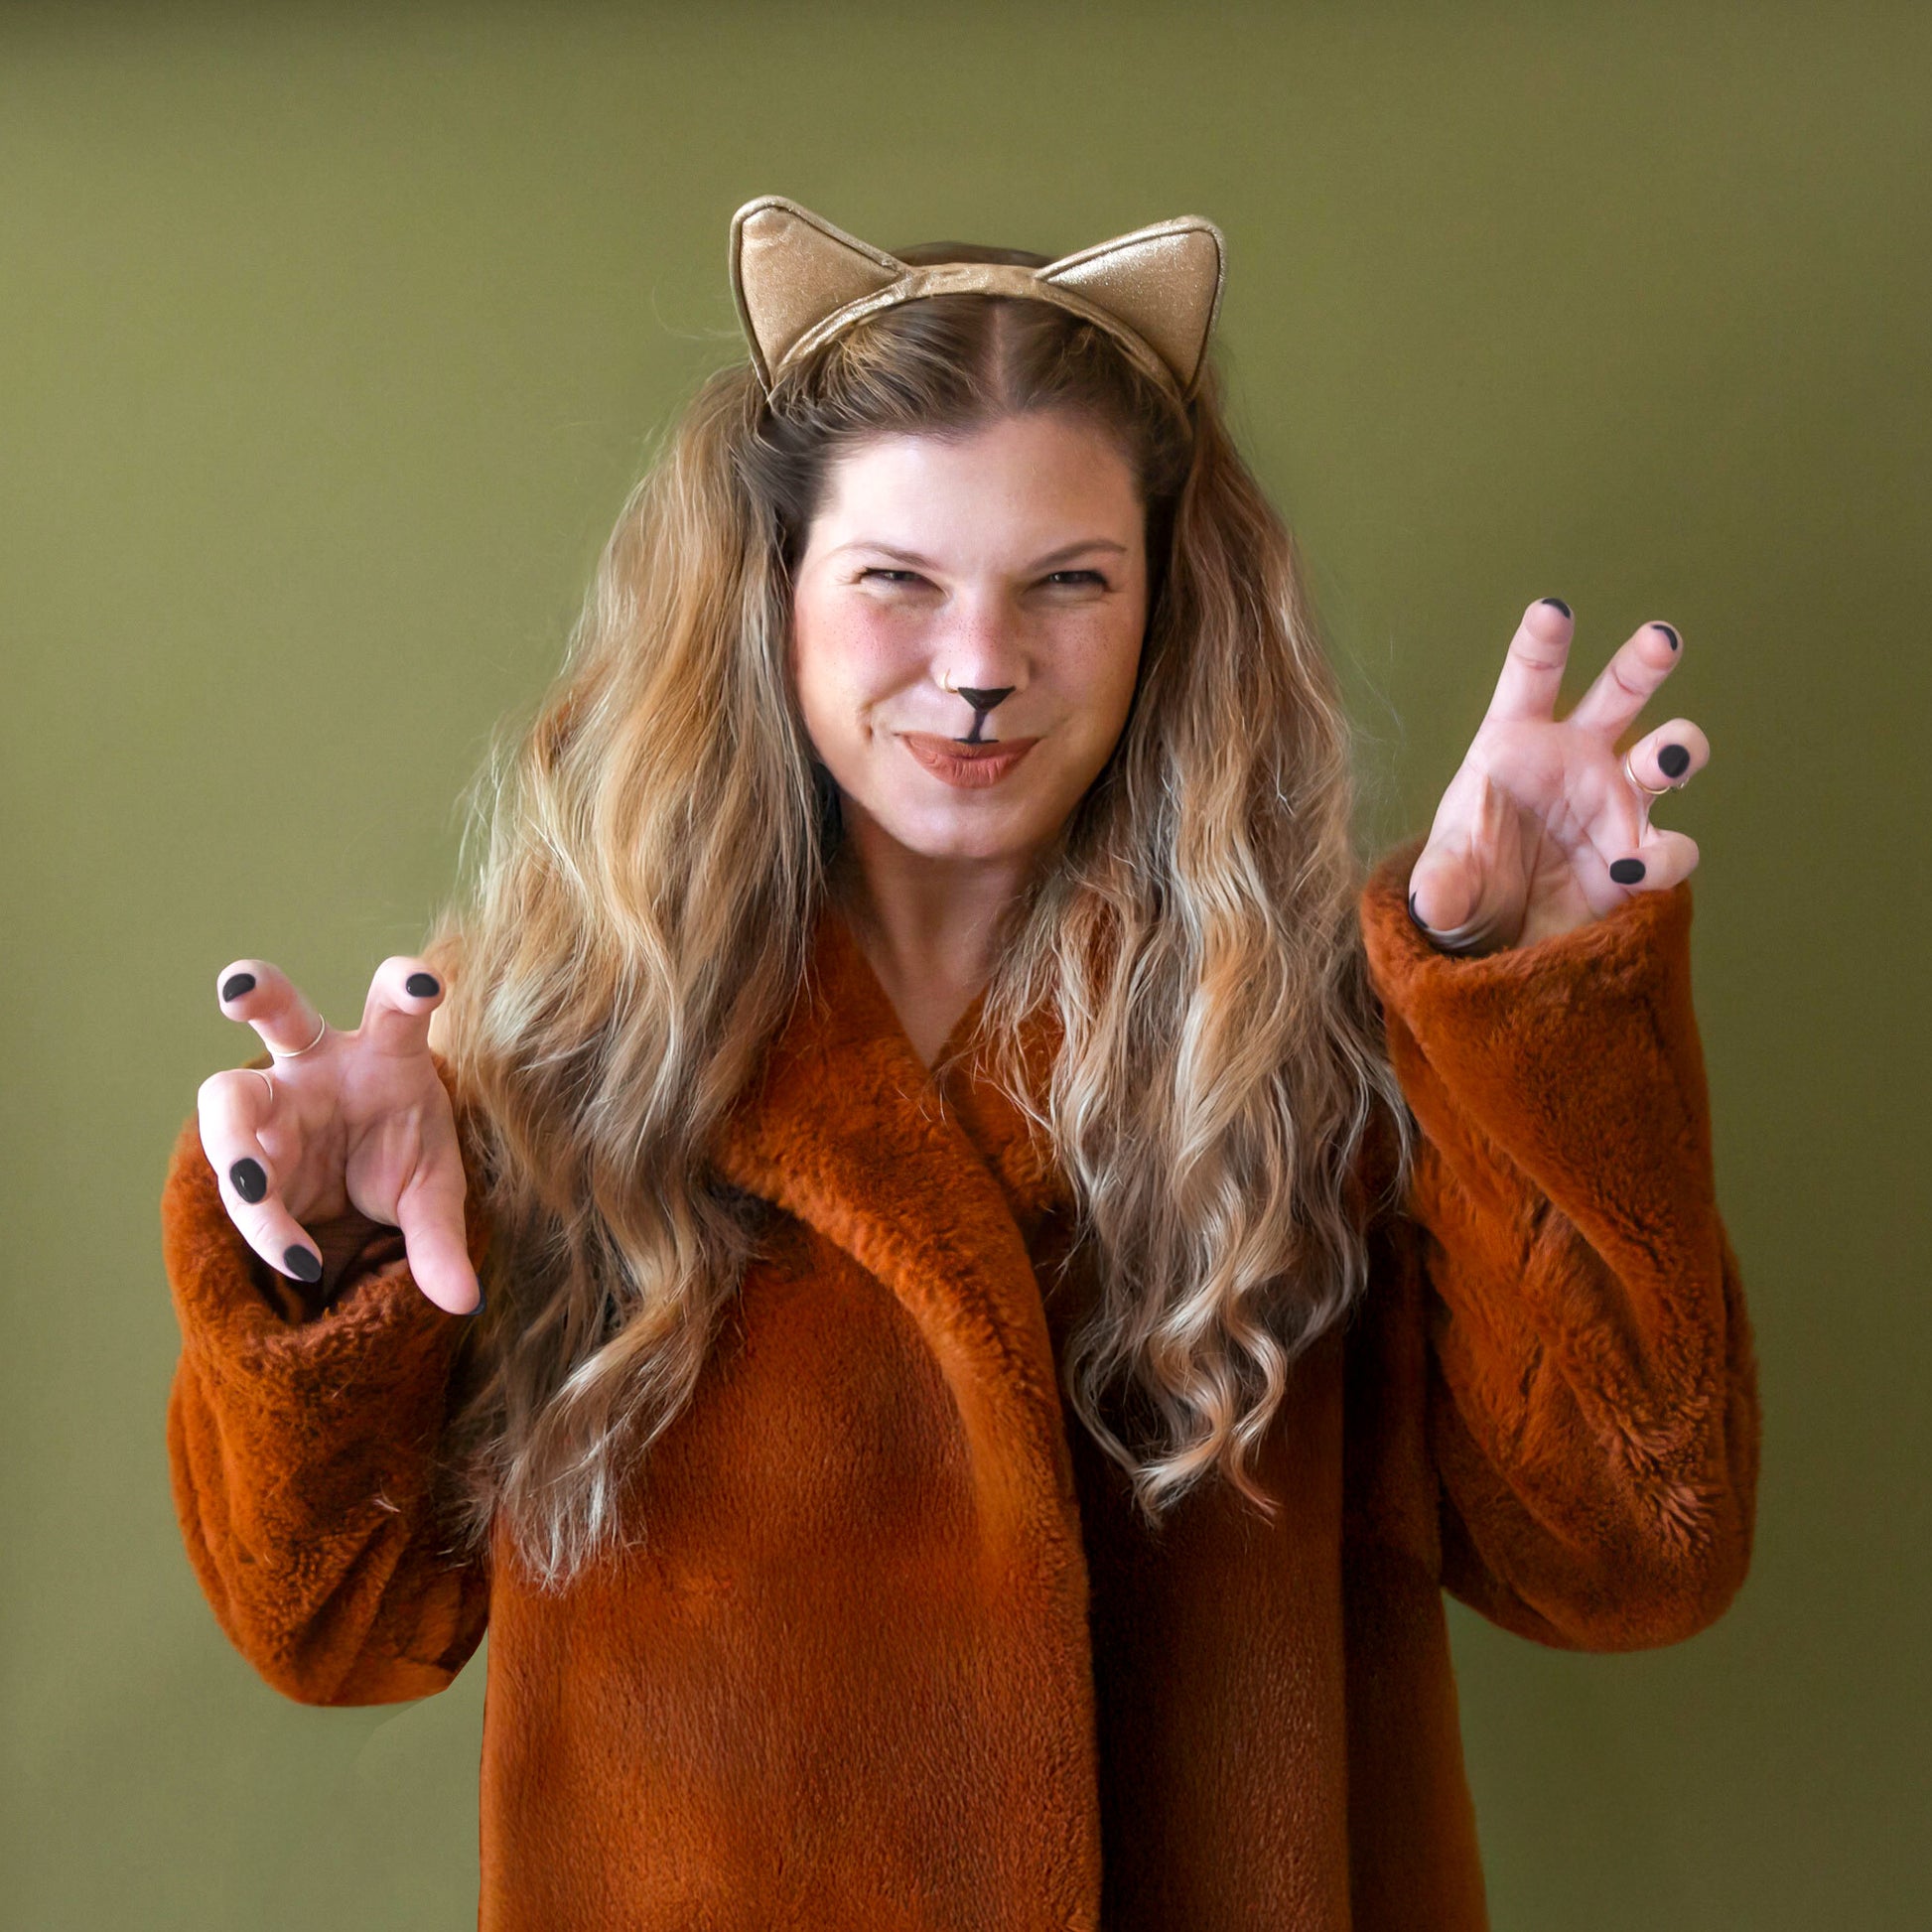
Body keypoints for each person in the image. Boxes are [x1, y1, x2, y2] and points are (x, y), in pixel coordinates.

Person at [160, 196, 1759, 1929]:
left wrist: (1520, 1004)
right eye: (895, 581)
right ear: (771, 593)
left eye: (1067, 581)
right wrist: (350, 1259)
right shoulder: (554, 1060)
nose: (982, 667)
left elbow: (1628, 1557)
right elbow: (330, 1626)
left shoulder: (1319, 1051)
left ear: (1164, 601)